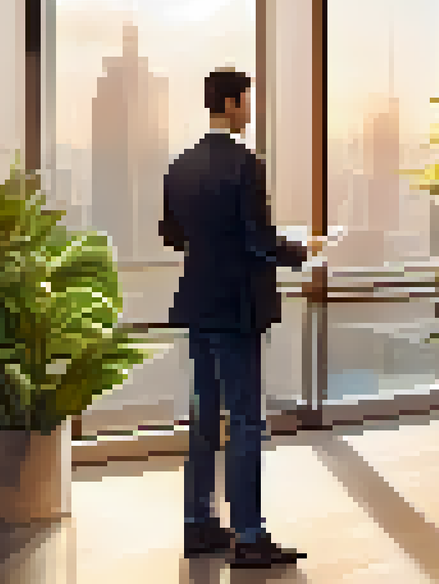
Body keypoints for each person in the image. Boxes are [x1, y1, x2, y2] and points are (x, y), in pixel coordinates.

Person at [159, 68, 316, 569]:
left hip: (199, 304)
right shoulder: (246, 164)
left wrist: (211, 248)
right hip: (237, 310)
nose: (249, 110)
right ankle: (249, 536)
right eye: (246, 101)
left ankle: (198, 524)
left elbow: (172, 234)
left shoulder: (181, 164)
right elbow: (257, 240)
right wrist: (304, 251)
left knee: (205, 418)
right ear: (229, 104)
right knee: (246, 421)